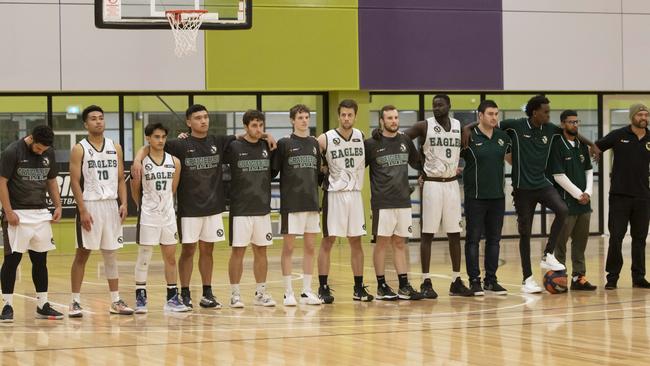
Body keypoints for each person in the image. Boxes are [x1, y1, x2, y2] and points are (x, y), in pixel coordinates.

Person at [462, 95, 602, 293]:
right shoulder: (515, 125)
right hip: (522, 189)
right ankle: (527, 279)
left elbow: (573, 133)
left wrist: (592, 144)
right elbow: (490, 121)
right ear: (534, 112)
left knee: (563, 209)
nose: (548, 114)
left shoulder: (551, 129)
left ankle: (547, 255)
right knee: (525, 233)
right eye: (545, 111)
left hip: (542, 184)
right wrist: (468, 128)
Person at [402, 94, 471, 298]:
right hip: (432, 183)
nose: (436, 108)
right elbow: (403, 138)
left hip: (451, 185)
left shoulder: (459, 125)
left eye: (440, 105)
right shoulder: (424, 125)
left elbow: (479, 124)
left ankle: (456, 280)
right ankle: (425, 281)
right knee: (428, 233)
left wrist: (469, 127)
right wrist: (417, 163)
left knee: (454, 233)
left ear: (449, 105)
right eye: (434, 105)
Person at [69, 105, 133, 316]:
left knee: (111, 254)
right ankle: (75, 301)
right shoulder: (80, 148)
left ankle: (116, 300)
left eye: (101, 118)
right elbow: (75, 182)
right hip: (91, 204)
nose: (98, 121)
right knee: (83, 253)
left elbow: (120, 178)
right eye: (94, 119)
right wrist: (83, 210)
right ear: (86, 124)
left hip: (111, 205)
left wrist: (123, 203)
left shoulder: (115, 146)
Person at [0, 125, 64, 322]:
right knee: (12, 260)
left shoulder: (48, 152)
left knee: (40, 261)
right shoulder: (13, 151)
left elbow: (52, 181)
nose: (41, 152)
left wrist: (58, 206)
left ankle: (42, 304)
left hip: (40, 213)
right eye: (38, 148)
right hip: (18, 213)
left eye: (44, 150)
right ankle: (7, 306)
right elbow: (1, 182)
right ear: (31, 138)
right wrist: (8, 212)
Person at [365, 105, 423, 300]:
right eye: (389, 118)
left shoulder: (405, 140)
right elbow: (357, 167)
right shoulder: (371, 144)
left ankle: (404, 285)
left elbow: (417, 163)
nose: (394, 121)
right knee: (381, 244)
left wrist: (424, 175)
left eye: (396, 117)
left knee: (400, 243)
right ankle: (381, 285)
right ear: (382, 121)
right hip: (382, 201)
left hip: (403, 201)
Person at [317, 99, 372, 303]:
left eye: (350, 115)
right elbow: (309, 151)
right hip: (334, 195)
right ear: (338, 116)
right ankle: (323, 287)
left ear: (355, 116)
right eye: (343, 115)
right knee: (329, 240)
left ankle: (358, 288)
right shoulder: (325, 138)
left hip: (355, 194)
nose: (346, 118)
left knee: (356, 241)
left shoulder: (361, 136)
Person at [130, 123, 189, 312]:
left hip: (168, 215)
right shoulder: (142, 162)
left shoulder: (175, 162)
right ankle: (140, 297)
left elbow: (173, 189)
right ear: (148, 138)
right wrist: (145, 206)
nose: (161, 140)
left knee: (170, 257)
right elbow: (135, 190)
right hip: (148, 214)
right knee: (145, 255)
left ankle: (172, 298)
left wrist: (164, 205)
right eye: (156, 137)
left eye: (163, 136)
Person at [271, 104, 323, 306]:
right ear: (292, 120)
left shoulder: (313, 143)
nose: (304, 120)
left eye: (306, 117)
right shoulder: (284, 144)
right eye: (300, 117)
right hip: (291, 204)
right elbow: (273, 171)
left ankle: (307, 291)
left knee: (310, 247)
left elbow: (318, 173)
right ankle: (288, 292)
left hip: (311, 203)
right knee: (289, 248)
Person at [225, 110, 277, 308]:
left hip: (262, 208)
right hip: (240, 208)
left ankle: (260, 293)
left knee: (261, 251)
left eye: (261, 126)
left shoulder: (267, 146)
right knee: (238, 251)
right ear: (246, 126)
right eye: (254, 125)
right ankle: (235, 294)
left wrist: (266, 136)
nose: (258, 129)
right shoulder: (234, 146)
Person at [596, 103, 650, 289]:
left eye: (646, 115)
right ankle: (612, 277)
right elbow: (596, 148)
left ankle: (639, 277)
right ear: (632, 117)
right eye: (640, 114)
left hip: (643, 197)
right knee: (616, 237)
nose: (643, 117)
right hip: (619, 196)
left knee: (639, 239)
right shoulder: (619, 135)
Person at [461, 100, 511, 296]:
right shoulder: (468, 137)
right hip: (475, 197)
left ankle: (491, 280)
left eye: (496, 114)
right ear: (480, 115)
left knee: (494, 240)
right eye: (490, 113)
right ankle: (474, 281)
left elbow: (511, 160)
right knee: (472, 240)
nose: (494, 117)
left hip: (498, 197)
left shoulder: (502, 137)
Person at [548, 110, 597, 291]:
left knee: (580, 243)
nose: (574, 125)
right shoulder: (557, 145)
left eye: (577, 122)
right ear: (562, 124)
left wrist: (588, 193)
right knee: (561, 244)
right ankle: (559, 279)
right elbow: (558, 175)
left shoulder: (581, 145)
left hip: (584, 204)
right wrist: (578, 194)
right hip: (567, 203)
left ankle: (579, 278)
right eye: (570, 122)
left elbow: (589, 170)